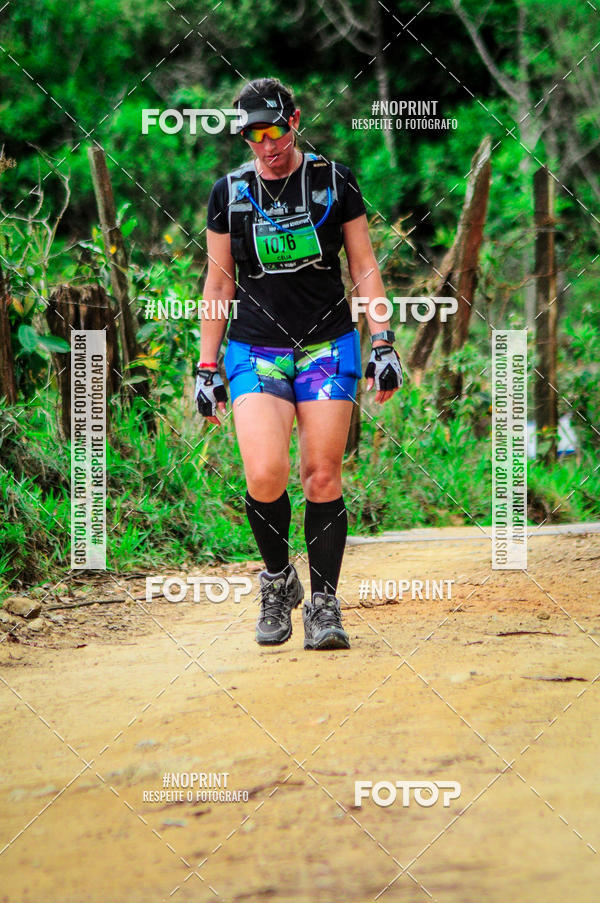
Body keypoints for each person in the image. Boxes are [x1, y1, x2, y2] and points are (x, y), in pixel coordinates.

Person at [196, 77, 402, 651]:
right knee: (264, 475)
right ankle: (277, 581)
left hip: (327, 346)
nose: (267, 145)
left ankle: (326, 604)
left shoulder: (333, 182)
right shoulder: (228, 194)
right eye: (254, 135)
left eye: (276, 130)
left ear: (296, 119)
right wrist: (205, 365)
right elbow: (218, 281)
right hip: (255, 348)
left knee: (321, 474)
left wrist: (382, 342)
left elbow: (362, 266)